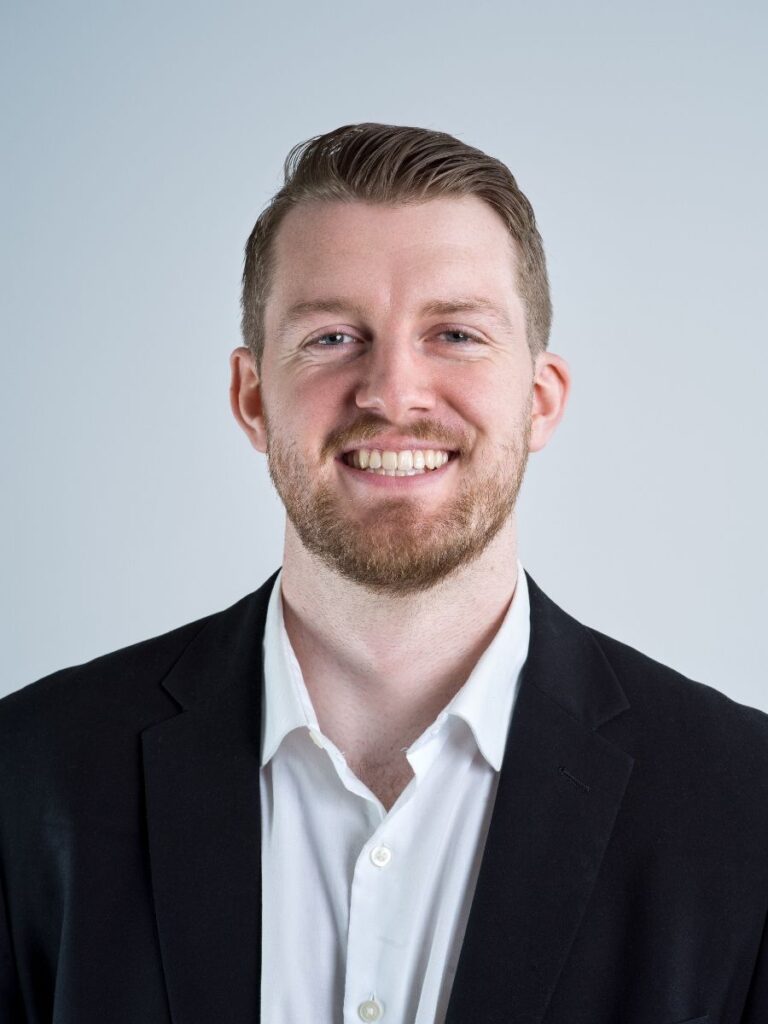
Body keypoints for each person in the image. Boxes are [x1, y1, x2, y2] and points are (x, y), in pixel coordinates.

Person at [0, 123, 766, 1024]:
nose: (393, 393)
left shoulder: (744, 809)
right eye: (332, 336)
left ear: (540, 399)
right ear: (252, 397)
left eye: (456, 334)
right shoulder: (30, 777)